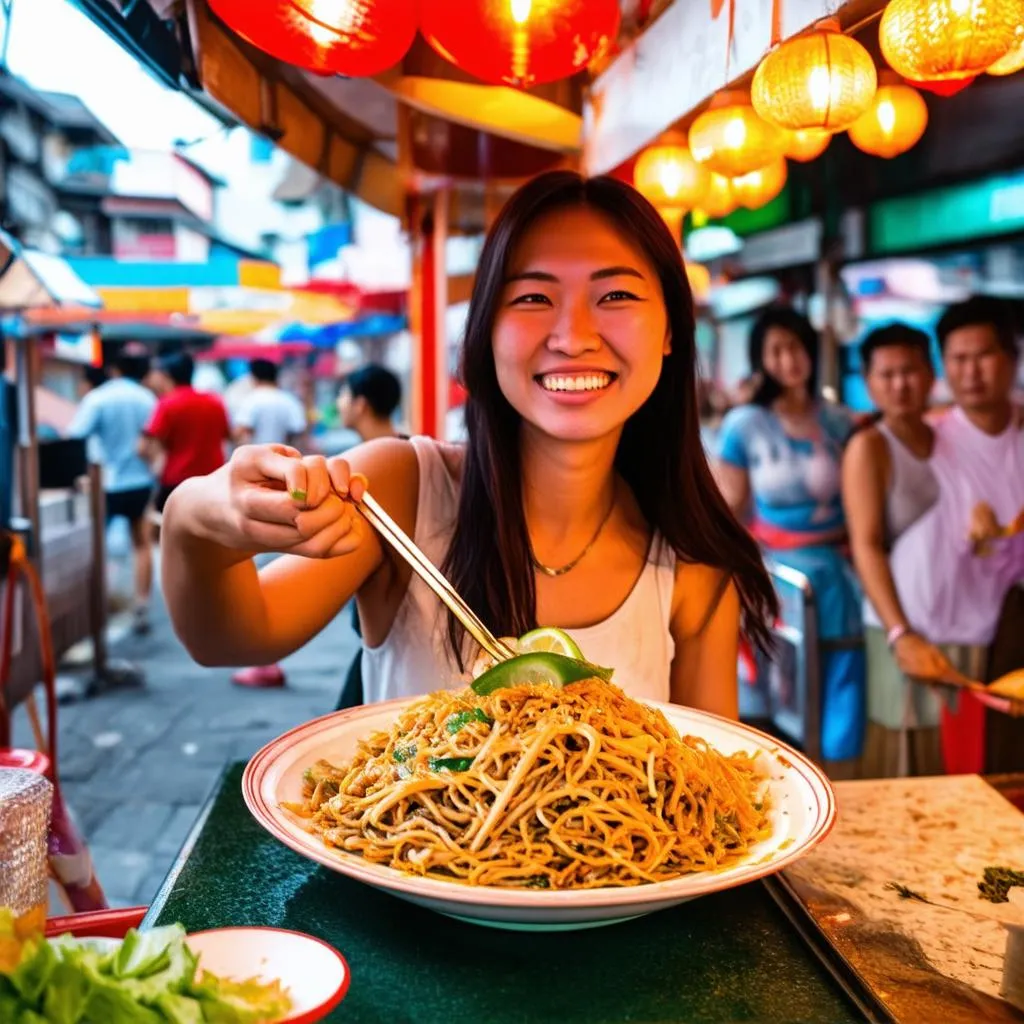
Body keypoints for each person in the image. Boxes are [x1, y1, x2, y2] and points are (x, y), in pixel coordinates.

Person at [160, 171, 778, 714]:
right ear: (485, 331)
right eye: (534, 297)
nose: (573, 335)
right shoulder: (400, 488)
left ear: (671, 328)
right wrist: (196, 516)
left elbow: (714, 794)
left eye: (615, 295)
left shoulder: (694, 561)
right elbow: (232, 638)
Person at [714, 306, 865, 770]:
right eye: (775, 350)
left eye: (796, 347)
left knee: (839, 679)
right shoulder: (744, 424)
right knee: (778, 698)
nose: (788, 359)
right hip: (773, 577)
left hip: (838, 577)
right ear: (761, 359)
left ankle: (843, 786)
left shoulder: (841, 421)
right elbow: (729, 508)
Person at [888, 296, 1024, 772]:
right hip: (940, 641)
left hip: (1010, 639)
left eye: (983, 355)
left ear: (1011, 357)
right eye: (958, 359)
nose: (970, 371)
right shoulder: (928, 439)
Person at [842, 324, 969, 777]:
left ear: (930, 372)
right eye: (887, 374)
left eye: (910, 371)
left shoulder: (950, 435)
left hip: (955, 617)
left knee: (953, 743)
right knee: (903, 745)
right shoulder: (870, 447)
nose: (900, 384)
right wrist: (900, 633)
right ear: (869, 382)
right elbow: (867, 545)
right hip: (900, 622)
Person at [230, 358, 308, 689]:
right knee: (283, 574)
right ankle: (270, 660)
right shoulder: (288, 401)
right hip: (292, 488)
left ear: (253, 375)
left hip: (257, 490)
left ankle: (263, 661)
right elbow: (301, 440)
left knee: (256, 581)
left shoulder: (251, 402)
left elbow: (242, 443)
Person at [69, 347, 157, 634]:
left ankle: (99, 609)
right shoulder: (148, 398)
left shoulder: (98, 398)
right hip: (140, 481)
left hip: (106, 482)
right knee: (141, 544)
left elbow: (75, 437)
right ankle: (141, 605)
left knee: (97, 547)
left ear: (114, 369)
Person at [141, 353, 231, 518]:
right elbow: (227, 435)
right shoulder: (214, 401)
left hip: (177, 480)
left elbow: (145, 445)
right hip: (213, 478)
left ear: (166, 375)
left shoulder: (167, 403)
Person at [233, 358, 307, 448]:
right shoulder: (290, 401)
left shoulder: (251, 400)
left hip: (257, 457)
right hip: (284, 457)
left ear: (254, 378)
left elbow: (239, 432)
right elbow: (299, 430)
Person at [337, 364, 403, 442]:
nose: (338, 402)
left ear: (360, 405)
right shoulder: (407, 447)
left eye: (343, 394)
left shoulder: (377, 452)